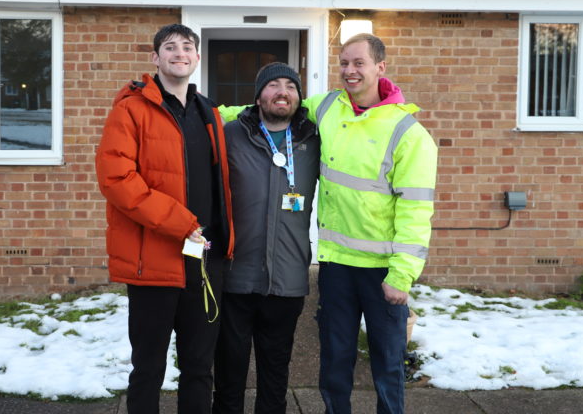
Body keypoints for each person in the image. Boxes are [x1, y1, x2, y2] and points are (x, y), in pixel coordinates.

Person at [95, 23, 234, 414]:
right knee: (149, 368)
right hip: (153, 260)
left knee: (198, 369)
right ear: (155, 58)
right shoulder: (130, 110)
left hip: (205, 262)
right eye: (169, 47)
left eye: (187, 47)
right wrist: (179, 222)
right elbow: (117, 179)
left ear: (197, 58)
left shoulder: (209, 111)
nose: (179, 53)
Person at [305, 33, 437, 414]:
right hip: (336, 266)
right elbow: (275, 105)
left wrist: (402, 275)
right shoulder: (328, 106)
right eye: (344, 62)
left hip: (383, 274)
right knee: (335, 361)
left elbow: (415, 209)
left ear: (380, 68)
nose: (349, 71)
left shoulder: (408, 133)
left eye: (358, 63)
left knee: (388, 363)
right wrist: (209, 113)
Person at [212, 63, 320, 414]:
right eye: (273, 85)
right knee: (229, 374)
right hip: (236, 277)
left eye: (290, 86)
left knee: (275, 377)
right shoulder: (231, 135)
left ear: (299, 97)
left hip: (287, 281)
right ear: (258, 96)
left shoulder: (314, 139)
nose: (282, 92)